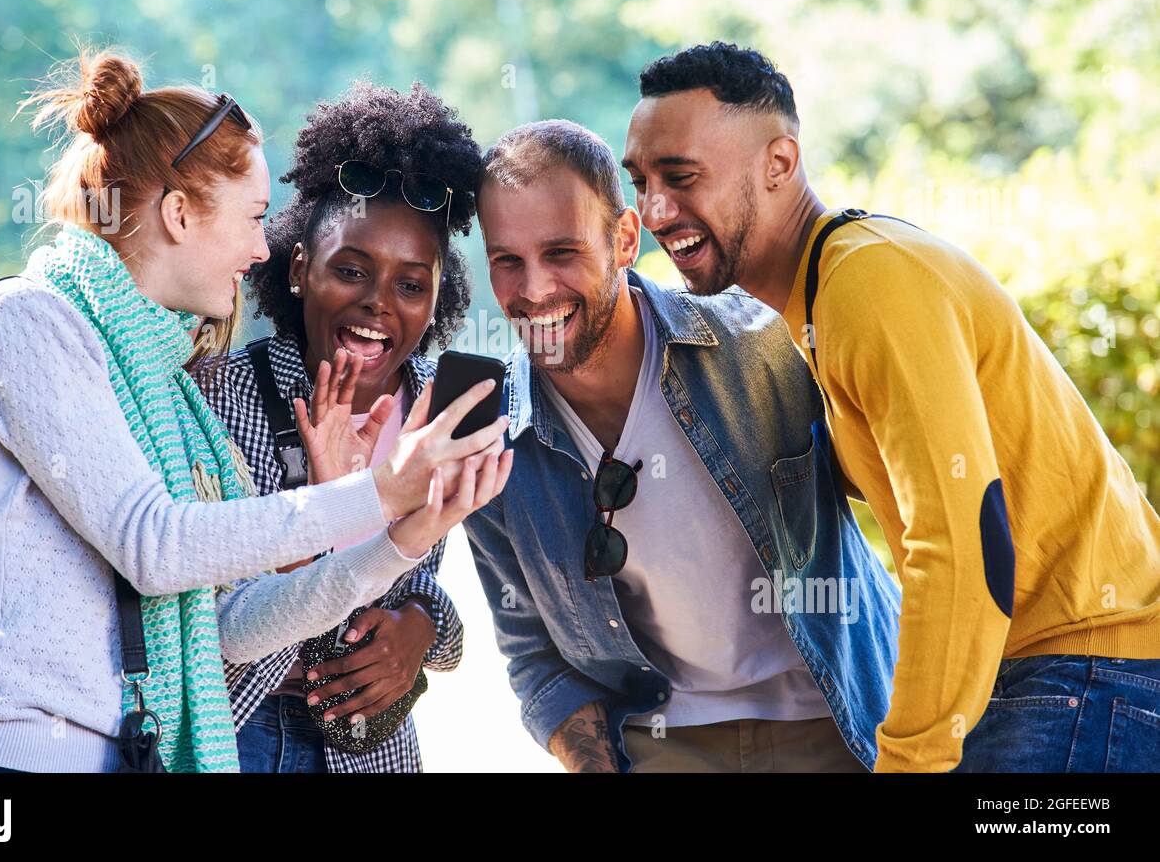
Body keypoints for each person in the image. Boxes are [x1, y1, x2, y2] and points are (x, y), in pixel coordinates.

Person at [0, 49, 511, 773]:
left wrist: (403, 539)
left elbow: (224, 624)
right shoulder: (29, 319)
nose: (263, 247)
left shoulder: (168, 384)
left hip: (133, 754)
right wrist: (370, 493)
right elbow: (154, 543)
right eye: (255, 217)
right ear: (178, 214)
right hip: (16, 760)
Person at [622, 40, 1160, 772]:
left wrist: (908, 761)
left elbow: (964, 540)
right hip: (1056, 675)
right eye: (641, 181)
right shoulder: (817, 300)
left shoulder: (867, 281)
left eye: (681, 177)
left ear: (780, 164)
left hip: (1087, 672)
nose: (655, 209)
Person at [463, 118, 900, 773]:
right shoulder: (490, 443)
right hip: (664, 743)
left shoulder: (764, 343)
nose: (533, 289)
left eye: (561, 253)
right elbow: (535, 657)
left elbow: (914, 501)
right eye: (507, 260)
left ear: (625, 239)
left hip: (838, 718)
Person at [199, 81, 487, 772]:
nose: (377, 305)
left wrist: (424, 628)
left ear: (437, 294)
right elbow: (205, 616)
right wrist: (330, 508)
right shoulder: (221, 394)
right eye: (351, 270)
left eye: (411, 284)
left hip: (371, 753)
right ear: (300, 268)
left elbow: (417, 584)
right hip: (248, 735)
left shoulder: (441, 412)